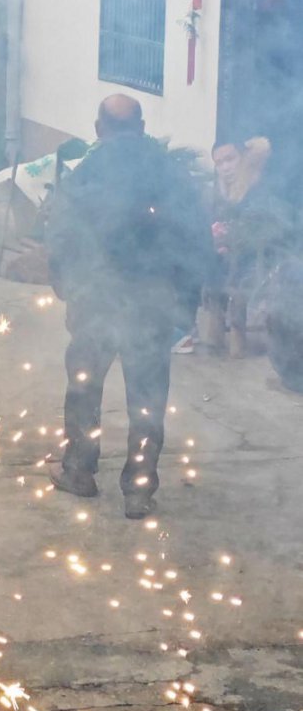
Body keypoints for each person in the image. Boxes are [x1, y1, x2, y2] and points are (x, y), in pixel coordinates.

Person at [46, 94, 212, 519]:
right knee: (147, 399)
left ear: (99, 129)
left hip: (95, 302)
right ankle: (138, 492)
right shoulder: (171, 175)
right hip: (152, 306)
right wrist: (186, 302)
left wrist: (64, 285)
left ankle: (79, 472)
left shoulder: (84, 174)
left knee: (84, 388)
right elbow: (195, 238)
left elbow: (61, 234)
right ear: (141, 127)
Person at [200, 136, 289, 358]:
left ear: (242, 157)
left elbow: (268, 230)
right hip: (226, 256)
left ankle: (236, 341)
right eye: (219, 162)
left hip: (258, 258)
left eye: (230, 159)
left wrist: (233, 238)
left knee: (237, 279)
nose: (225, 167)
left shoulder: (258, 188)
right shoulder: (220, 193)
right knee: (209, 266)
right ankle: (214, 334)